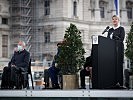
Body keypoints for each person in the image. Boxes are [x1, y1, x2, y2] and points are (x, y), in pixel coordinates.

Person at [107, 15, 125, 88]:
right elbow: (107, 39)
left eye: (116, 19)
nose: (114, 20)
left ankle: (120, 83)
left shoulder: (121, 29)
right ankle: (112, 83)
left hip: (119, 49)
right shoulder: (110, 30)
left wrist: (115, 41)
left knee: (119, 66)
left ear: (118, 20)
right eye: (113, 19)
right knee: (112, 66)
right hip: (111, 51)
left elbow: (121, 39)